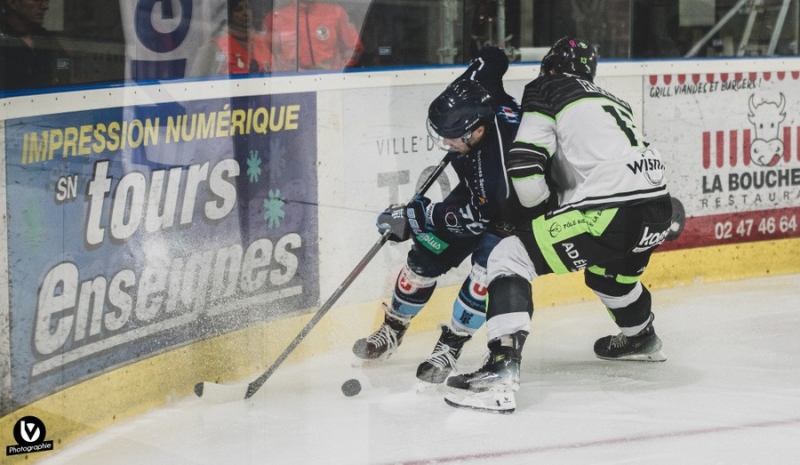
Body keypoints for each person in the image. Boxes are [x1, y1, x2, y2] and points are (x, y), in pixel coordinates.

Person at [444, 37, 673, 414]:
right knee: (608, 277)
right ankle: (641, 338)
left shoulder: (546, 87)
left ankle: (500, 370)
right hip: (657, 210)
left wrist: (534, 212)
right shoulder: (613, 100)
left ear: (549, 66)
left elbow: (523, 163)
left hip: (610, 212)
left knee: (509, 256)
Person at [352, 46, 534, 387]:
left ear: (478, 131)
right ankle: (393, 328)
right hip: (479, 195)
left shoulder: (497, 166)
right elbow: (492, 58)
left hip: (511, 212)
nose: (446, 143)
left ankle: (450, 346)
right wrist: (479, 65)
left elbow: (480, 216)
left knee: (482, 277)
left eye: (452, 138)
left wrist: (420, 217)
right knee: (424, 256)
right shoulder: (480, 90)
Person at [264, 0, 363, 71]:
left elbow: (354, 48)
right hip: (292, 84)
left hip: (330, 82)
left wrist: (339, 70)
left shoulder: (335, 12)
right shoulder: (276, 16)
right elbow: (264, 53)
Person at [0, 0, 71, 91]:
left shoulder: (44, 37)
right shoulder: (3, 40)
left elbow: (63, 70)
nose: (45, 6)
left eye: (47, 0)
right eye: (38, 0)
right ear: (13, 3)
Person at [190, 0, 272, 77]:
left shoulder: (262, 42)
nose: (245, 13)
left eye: (247, 8)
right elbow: (196, 84)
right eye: (239, 9)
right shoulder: (214, 47)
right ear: (230, 15)